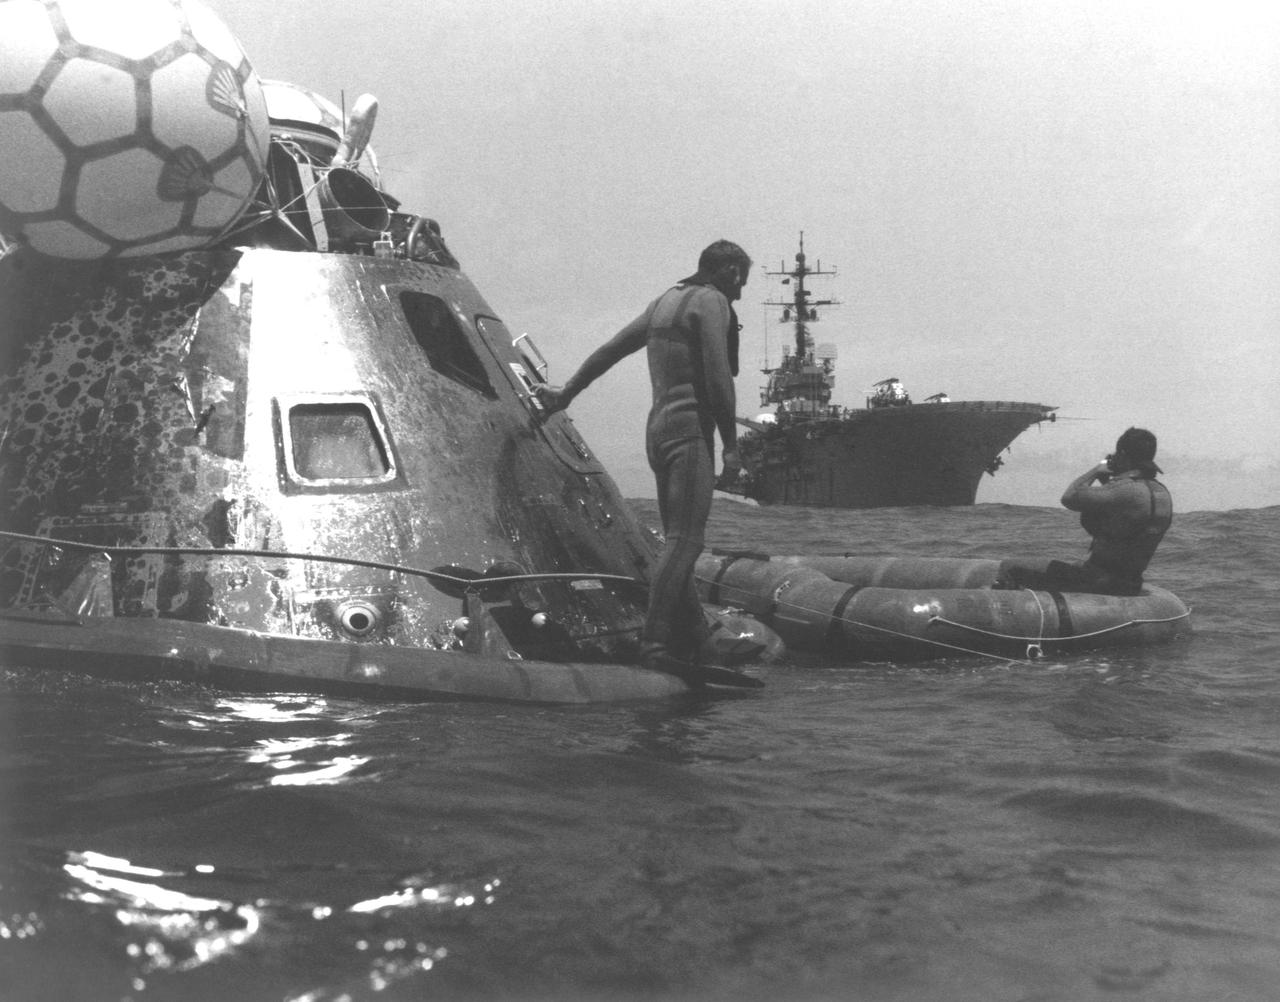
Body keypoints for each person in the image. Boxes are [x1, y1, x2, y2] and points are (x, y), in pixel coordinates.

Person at [535, 240, 751, 679]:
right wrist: (731, 445)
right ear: (729, 271)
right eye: (741, 281)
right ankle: (654, 645)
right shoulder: (712, 303)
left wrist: (565, 394)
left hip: (658, 432)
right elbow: (718, 376)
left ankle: (702, 645)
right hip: (690, 432)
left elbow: (609, 351)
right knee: (686, 542)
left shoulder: (665, 302)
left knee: (676, 542)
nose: (741, 292)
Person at [996, 427, 1172, 595]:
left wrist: (1097, 470)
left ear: (1123, 456)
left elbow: (1070, 497)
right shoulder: (1162, 494)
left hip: (1097, 580)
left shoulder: (1125, 490)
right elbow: (1124, 518)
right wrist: (1106, 481)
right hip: (1130, 583)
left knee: (1009, 567)